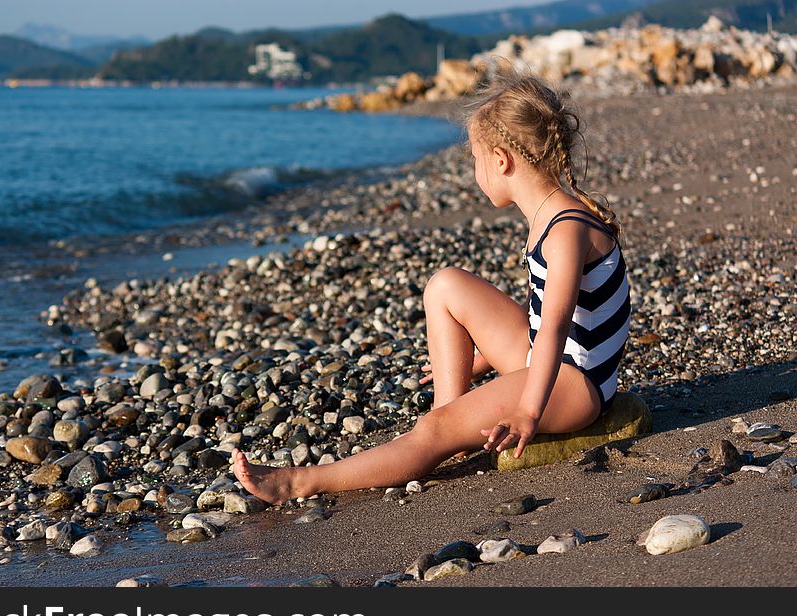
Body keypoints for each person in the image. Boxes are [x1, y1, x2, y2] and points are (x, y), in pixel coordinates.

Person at [232, 64, 632, 505]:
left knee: (431, 431)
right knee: (445, 285)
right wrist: (482, 359)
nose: (475, 172)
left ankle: (302, 481)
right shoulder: (553, 211)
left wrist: (526, 412)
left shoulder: (563, 231)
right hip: (550, 359)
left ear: (502, 160)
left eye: (476, 160)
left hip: (576, 386)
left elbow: (556, 328)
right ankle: (449, 417)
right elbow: (550, 314)